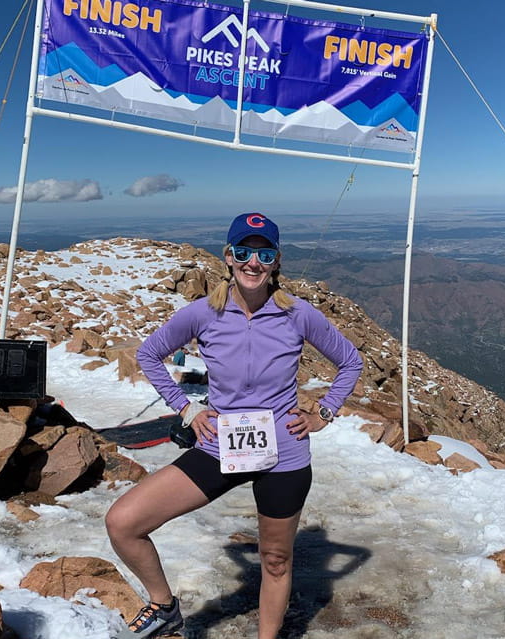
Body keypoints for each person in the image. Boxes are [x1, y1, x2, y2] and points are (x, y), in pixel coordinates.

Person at [105, 212, 363, 638]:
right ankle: (164, 606)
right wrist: (187, 410)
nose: (253, 262)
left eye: (264, 254)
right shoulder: (202, 313)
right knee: (124, 522)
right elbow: (149, 354)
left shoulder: (298, 314)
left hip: (284, 452)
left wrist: (324, 413)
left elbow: (350, 361)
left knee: (276, 560)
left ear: (277, 261)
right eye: (243, 252)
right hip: (220, 445)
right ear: (227, 257)